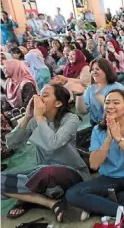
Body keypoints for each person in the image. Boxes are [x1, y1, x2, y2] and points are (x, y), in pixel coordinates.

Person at [2, 84, 90, 222]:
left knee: (46, 172)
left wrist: (38, 117)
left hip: (70, 173)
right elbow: (12, 144)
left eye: (45, 95)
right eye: (39, 94)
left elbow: (52, 144)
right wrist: (27, 117)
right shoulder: (35, 120)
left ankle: (27, 195)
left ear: (58, 103)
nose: (38, 97)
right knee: (41, 172)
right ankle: (50, 203)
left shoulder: (70, 119)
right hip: (42, 174)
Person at [66, 89, 124, 217]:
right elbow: (94, 165)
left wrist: (118, 138)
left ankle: (99, 205)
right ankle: (120, 210)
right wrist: (108, 138)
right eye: (107, 103)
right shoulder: (97, 130)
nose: (110, 106)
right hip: (108, 177)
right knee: (73, 194)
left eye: (116, 103)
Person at [75, 58, 124, 127]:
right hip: (96, 125)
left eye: (97, 69)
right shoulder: (90, 89)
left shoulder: (117, 87)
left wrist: (101, 99)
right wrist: (79, 95)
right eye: (92, 70)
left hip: (115, 124)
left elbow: (118, 111)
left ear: (106, 71)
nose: (94, 72)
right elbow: (83, 111)